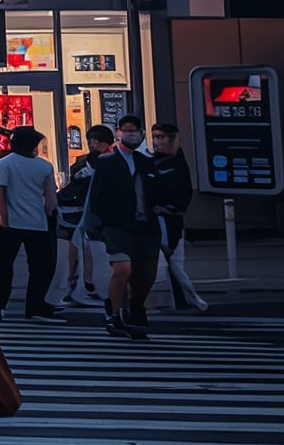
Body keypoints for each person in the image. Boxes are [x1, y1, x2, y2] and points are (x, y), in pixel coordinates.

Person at [74, 121, 157, 340]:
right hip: (116, 225)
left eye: (134, 131)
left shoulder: (146, 161)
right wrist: (98, 223)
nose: (130, 135)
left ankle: (134, 310)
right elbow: (97, 194)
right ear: (119, 133)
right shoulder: (107, 162)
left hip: (144, 225)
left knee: (145, 275)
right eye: (126, 131)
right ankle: (114, 313)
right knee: (123, 269)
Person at [0, 125, 62, 321]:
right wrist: (51, 214)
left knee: (4, 266)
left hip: (11, 223)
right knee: (39, 268)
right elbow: (51, 199)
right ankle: (34, 307)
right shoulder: (44, 166)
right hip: (37, 223)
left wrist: (3, 215)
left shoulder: (4, 164)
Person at [140, 121, 209, 314]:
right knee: (170, 261)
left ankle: (187, 298)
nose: (156, 142)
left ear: (172, 138)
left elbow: (181, 191)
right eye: (154, 137)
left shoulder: (173, 162)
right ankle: (183, 299)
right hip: (159, 217)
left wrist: (168, 207)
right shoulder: (153, 160)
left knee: (173, 260)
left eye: (160, 137)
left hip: (168, 218)